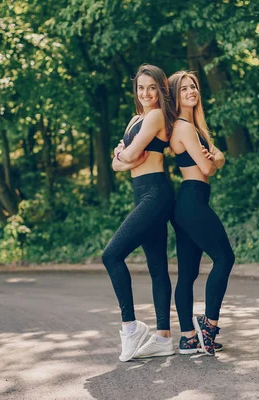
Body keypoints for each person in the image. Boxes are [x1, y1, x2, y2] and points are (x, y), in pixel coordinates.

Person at [102, 64, 177, 361]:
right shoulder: (136, 119)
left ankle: (130, 327)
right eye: (141, 88)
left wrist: (124, 156)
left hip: (156, 193)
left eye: (152, 88)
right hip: (142, 193)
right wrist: (124, 157)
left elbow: (128, 156)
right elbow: (117, 163)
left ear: (161, 90)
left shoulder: (157, 116)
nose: (146, 93)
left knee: (111, 255)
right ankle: (163, 337)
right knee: (157, 266)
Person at [168, 71, 235, 355]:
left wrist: (215, 157)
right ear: (174, 96)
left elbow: (219, 156)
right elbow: (209, 167)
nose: (191, 91)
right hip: (193, 200)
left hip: (188, 202)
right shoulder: (184, 128)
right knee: (224, 257)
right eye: (183, 89)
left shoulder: (194, 127)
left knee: (188, 274)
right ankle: (208, 326)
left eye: (193, 86)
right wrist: (214, 159)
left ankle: (188, 339)